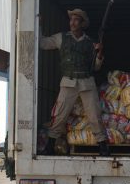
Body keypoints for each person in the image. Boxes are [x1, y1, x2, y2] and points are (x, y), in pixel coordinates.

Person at [40, 8, 110, 156]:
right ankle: (50, 145)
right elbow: (42, 43)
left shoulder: (90, 42)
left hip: (86, 82)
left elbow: (96, 67)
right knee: (59, 115)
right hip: (68, 82)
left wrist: (99, 53)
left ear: (82, 23)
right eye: (71, 19)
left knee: (94, 115)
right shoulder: (61, 38)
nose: (72, 23)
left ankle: (102, 144)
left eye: (76, 20)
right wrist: (37, 25)